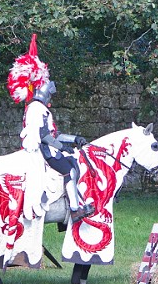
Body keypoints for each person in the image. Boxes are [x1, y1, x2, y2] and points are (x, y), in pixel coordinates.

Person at [8, 35, 95, 223]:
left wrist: (74, 139)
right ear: (44, 94)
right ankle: (74, 210)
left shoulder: (41, 109)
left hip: (48, 149)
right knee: (69, 168)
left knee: (74, 162)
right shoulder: (36, 108)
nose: (51, 99)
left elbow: (55, 133)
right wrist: (62, 148)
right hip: (41, 153)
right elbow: (43, 136)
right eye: (50, 95)